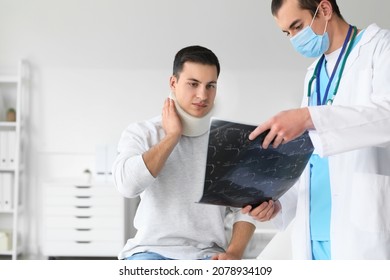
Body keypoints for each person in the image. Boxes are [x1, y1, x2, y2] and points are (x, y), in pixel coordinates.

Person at [242, 0, 390, 259]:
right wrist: (278, 204)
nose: (295, 39)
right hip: (314, 229)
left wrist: (309, 117)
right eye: (288, 33)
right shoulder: (313, 74)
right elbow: (309, 158)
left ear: (324, 9)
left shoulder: (380, 47)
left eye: (298, 26)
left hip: (361, 228)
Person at [112, 45, 256, 260]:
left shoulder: (229, 141)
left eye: (210, 86)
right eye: (193, 84)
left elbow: (246, 207)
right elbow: (127, 186)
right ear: (173, 83)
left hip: (209, 254)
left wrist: (234, 252)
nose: (202, 95)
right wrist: (172, 137)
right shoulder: (143, 132)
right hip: (151, 251)